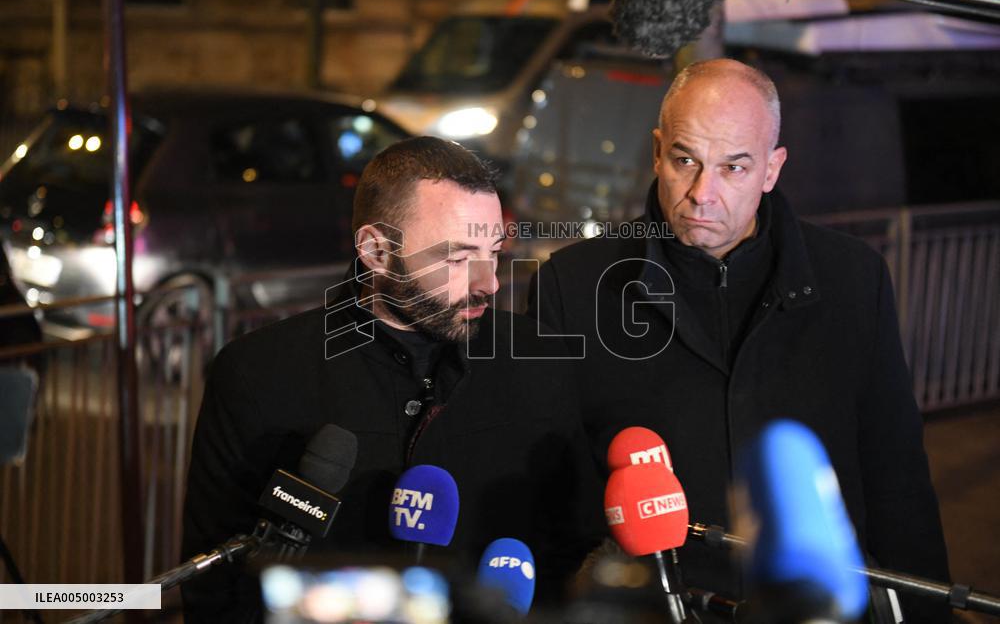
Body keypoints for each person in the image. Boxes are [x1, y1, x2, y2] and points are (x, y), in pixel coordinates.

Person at [528, 59, 951, 621]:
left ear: (772, 169)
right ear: (657, 151)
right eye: (686, 161)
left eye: (734, 167)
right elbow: (544, 486)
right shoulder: (571, 285)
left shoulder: (854, 279)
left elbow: (897, 479)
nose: (704, 193)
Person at [182, 136, 603, 622]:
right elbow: (215, 586)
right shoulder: (259, 374)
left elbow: (573, 542)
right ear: (376, 250)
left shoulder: (539, 359)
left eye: (493, 252)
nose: (487, 282)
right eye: (458, 257)